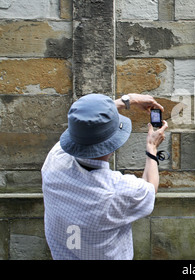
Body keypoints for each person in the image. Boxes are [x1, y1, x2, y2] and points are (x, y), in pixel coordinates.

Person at [41, 93, 168, 260]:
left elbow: (83, 127)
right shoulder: (116, 190)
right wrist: (152, 147)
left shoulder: (54, 161)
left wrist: (127, 101)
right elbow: (150, 187)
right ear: (113, 144)